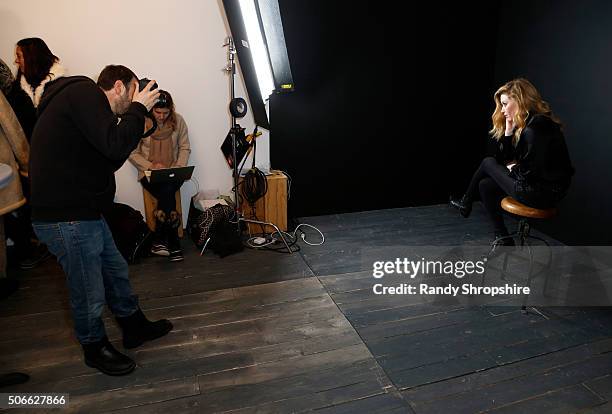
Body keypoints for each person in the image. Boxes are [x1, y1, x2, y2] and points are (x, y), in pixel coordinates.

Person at [29, 65, 173, 376]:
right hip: (65, 215)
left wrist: (140, 123)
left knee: (115, 270)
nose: (139, 100)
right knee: (88, 287)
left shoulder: (90, 116)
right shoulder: (84, 93)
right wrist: (138, 109)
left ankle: (134, 327)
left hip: (82, 211)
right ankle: (94, 347)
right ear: (120, 87)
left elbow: (111, 155)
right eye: (135, 91)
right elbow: (114, 144)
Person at [450, 78, 574, 246]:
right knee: (485, 185)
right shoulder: (533, 122)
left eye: (505, 104)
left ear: (520, 100)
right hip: (543, 189)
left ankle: (466, 202)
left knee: (487, 162)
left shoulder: (535, 129)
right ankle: (502, 236)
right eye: (501, 105)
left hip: (541, 192)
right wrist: (508, 131)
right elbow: (504, 160)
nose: (502, 110)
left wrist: (513, 167)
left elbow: (527, 173)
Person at [4, 38, 63, 269]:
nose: (15, 61)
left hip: (49, 157)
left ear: (31, 57)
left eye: (19, 56)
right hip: (27, 158)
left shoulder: (55, 85)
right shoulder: (18, 88)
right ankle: (38, 245)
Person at [129, 90, 190, 262]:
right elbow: (132, 153)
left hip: (173, 172)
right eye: (158, 112)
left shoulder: (178, 121)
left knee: (168, 186)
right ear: (151, 109)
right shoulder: (142, 123)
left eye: (166, 112)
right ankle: (173, 243)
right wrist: (151, 166)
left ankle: (159, 241)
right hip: (148, 175)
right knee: (167, 190)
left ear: (171, 110)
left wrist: (178, 167)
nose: (162, 116)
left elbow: (185, 148)